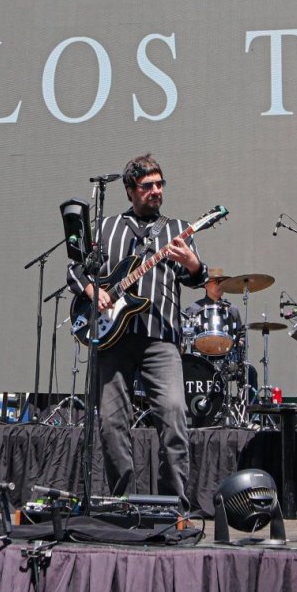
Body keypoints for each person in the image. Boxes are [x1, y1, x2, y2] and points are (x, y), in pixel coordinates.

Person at [69, 153, 207, 504]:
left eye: (160, 184)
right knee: (112, 423)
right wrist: (93, 290)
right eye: (148, 186)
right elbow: (76, 269)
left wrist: (192, 264)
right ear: (130, 190)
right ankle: (122, 502)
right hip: (112, 338)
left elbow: (197, 279)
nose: (156, 191)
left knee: (174, 415)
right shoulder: (106, 227)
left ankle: (174, 505)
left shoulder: (178, 230)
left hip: (160, 338)